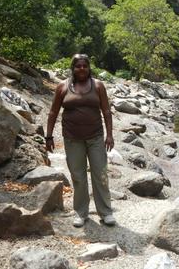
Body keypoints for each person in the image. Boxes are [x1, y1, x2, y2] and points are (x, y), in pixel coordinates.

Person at [45, 54, 115, 227]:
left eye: (85, 66)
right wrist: (48, 135)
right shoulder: (62, 87)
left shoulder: (98, 86)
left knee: (100, 174)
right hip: (72, 139)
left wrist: (110, 134)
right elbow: (53, 112)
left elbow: (106, 111)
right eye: (78, 66)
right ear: (73, 68)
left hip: (96, 138)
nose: (82, 69)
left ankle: (105, 212)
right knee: (78, 176)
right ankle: (81, 213)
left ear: (89, 67)